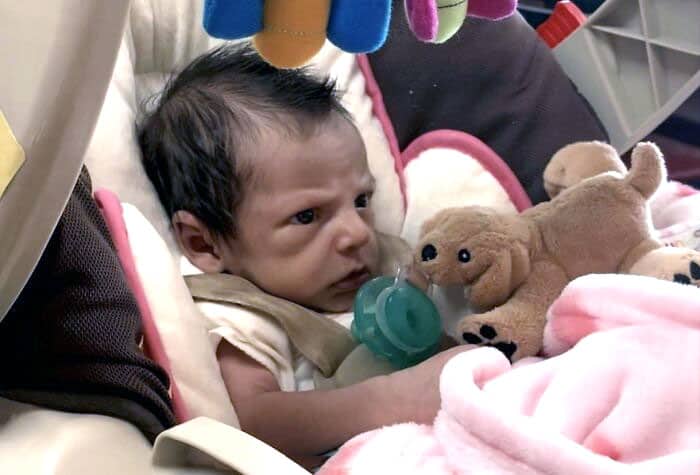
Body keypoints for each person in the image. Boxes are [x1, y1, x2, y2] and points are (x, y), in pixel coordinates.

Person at [139, 43, 464, 469]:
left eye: (361, 200)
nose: (356, 233)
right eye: (307, 216)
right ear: (205, 244)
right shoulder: (244, 319)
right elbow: (253, 423)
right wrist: (392, 400)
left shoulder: (389, 265)